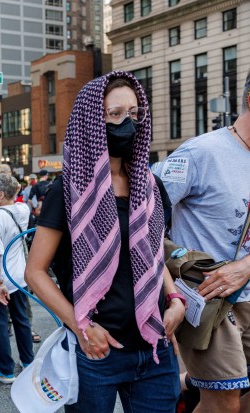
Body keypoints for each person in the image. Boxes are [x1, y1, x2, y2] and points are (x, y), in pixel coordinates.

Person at [24, 71, 186, 413]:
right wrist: (80, 325)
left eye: (134, 114)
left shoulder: (150, 186)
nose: (128, 123)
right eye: (115, 114)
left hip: (153, 346)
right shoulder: (68, 190)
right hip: (96, 350)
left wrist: (174, 301)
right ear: (92, 122)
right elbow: (35, 273)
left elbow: (153, 256)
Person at [152, 70, 250, 413]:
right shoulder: (200, 153)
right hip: (207, 299)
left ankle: (185, 385)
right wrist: (170, 287)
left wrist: (245, 267)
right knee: (225, 402)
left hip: (247, 294)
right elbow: (139, 214)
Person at [0, 173, 34, 384]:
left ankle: (6, 370)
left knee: (0, 325)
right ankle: (28, 361)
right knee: (22, 320)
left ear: (0, 194)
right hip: (19, 276)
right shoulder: (23, 209)